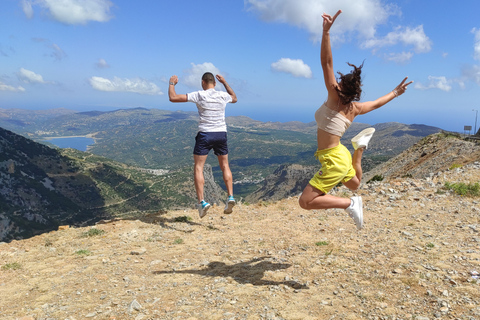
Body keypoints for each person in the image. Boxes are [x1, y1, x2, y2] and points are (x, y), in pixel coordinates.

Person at [298, 10, 413, 229]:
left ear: (340, 85)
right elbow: (378, 103)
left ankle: (350, 204)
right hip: (340, 152)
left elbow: (327, 63)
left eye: (338, 82)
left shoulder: (334, 96)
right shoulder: (356, 108)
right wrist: (396, 93)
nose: (335, 82)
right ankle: (359, 149)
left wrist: (326, 32)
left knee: (306, 201)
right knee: (355, 183)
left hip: (334, 158)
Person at [169, 72, 238, 218]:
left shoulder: (200, 95)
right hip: (221, 133)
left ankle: (202, 202)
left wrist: (172, 83)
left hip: (205, 134)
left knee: (199, 167)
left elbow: (173, 98)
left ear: (203, 82)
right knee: (225, 165)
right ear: (215, 83)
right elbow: (234, 98)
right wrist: (225, 83)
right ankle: (230, 196)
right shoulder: (222, 95)